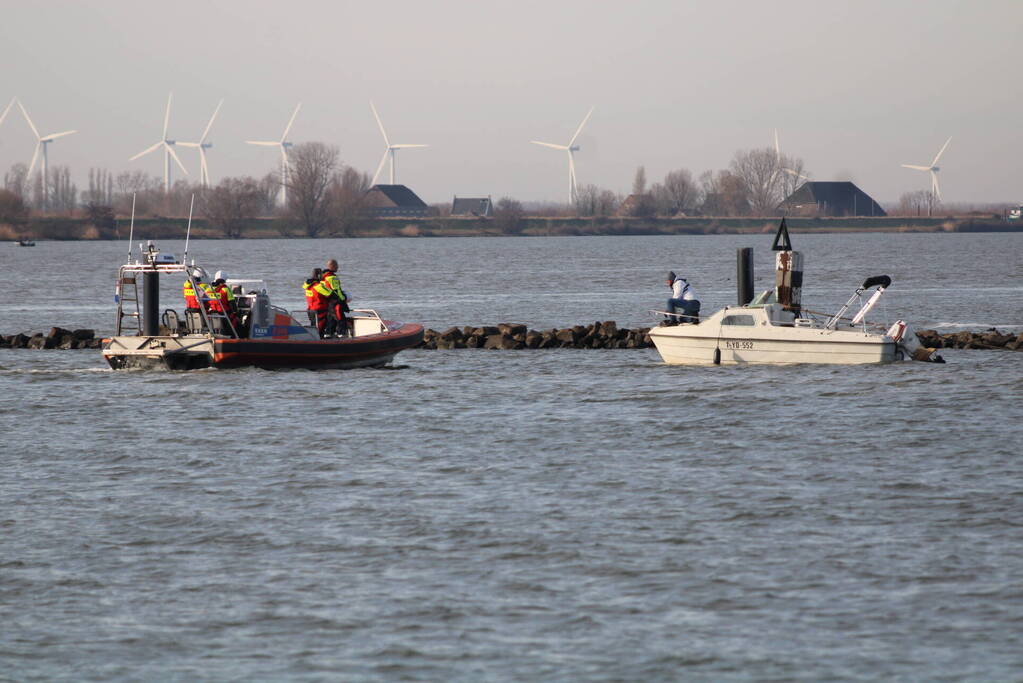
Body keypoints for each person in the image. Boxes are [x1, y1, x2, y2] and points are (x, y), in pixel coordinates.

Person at [321, 259, 351, 337]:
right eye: (336, 265)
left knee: (330, 319)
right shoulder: (332, 277)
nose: (338, 267)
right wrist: (344, 298)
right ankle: (341, 334)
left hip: (328, 302)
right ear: (332, 266)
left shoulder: (322, 277)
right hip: (335, 301)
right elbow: (337, 290)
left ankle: (328, 334)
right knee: (340, 318)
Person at [303, 267, 329, 338]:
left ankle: (314, 338)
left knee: (313, 326)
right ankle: (320, 339)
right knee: (320, 328)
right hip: (319, 309)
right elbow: (330, 294)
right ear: (319, 275)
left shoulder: (307, 285)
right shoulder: (318, 285)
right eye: (322, 275)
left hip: (310, 309)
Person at [212, 271, 240, 335]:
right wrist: (235, 312)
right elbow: (232, 302)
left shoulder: (210, 289)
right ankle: (231, 335)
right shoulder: (226, 289)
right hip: (224, 313)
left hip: (212, 312)